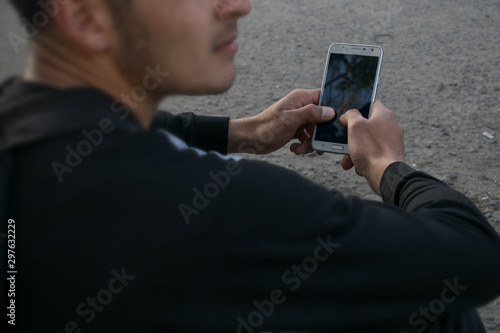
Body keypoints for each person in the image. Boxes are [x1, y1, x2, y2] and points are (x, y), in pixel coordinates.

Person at [1, 0, 499, 332]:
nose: (238, 4)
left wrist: (246, 133)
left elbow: (121, 130)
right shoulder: (219, 209)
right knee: (439, 313)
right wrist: (389, 165)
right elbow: (473, 256)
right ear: (87, 17)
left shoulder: (19, 115)